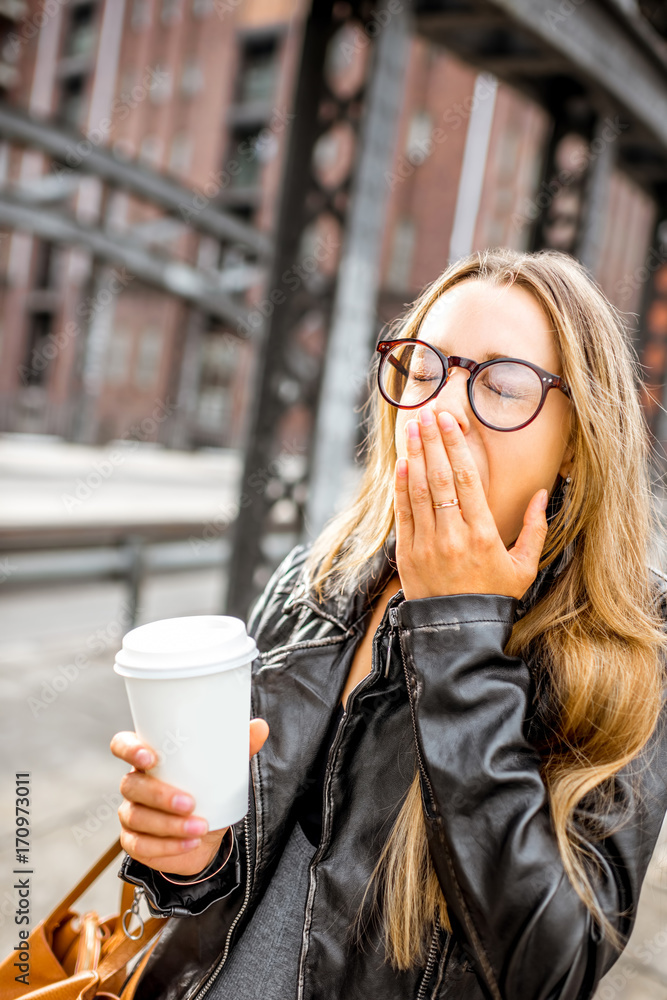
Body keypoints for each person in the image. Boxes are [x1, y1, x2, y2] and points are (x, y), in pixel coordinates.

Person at [110, 247, 667, 1000]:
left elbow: (551, 970)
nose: (440, 410)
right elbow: (233, 877)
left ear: (576, 440)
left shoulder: (635, 650)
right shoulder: (321, 574)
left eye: (502, 385)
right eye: (424, 368)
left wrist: (458, 632)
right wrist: (192, 857)